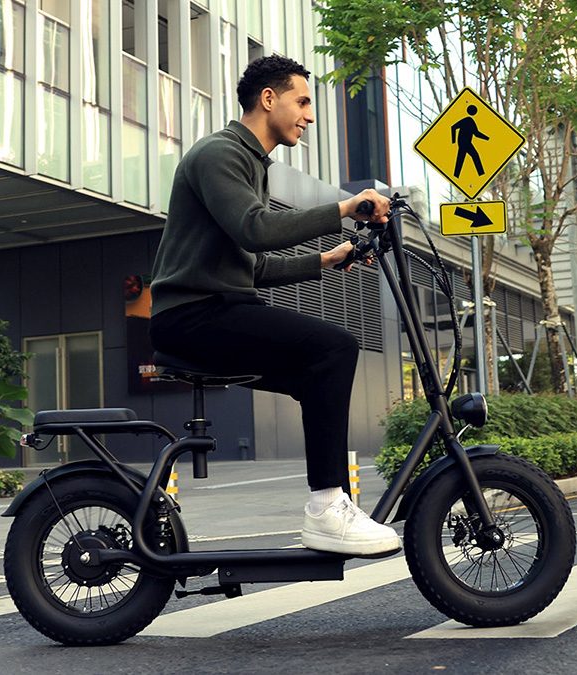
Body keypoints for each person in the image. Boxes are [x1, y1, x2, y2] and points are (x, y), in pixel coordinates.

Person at [148, 55, 399, 556]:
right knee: (335, 347)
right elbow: (256, 231)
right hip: (191, 317)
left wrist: (327, 260)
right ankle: (327, 508)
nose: (308, 116)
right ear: (269, 99)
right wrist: (345, 207)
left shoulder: (249, 162)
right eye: (302, 102)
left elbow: (251, 268)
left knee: (319, 369)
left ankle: (331, 505)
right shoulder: (219, 155)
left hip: (213, 307)